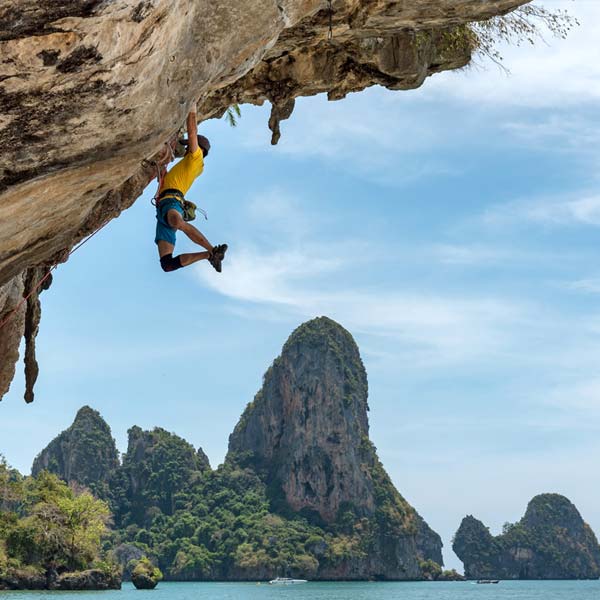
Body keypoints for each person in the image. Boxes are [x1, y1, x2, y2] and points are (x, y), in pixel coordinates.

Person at [154, 107, 227, 273]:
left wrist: (191, 108)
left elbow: (193, 132)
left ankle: (213, 250)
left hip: (172, 201)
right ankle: (209, 255)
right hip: (163, 206)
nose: (186, 149)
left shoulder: (196, 158)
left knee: (178, 223)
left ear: (198, 149)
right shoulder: (192, 166)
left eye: (188, 147)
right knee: (167, 264)